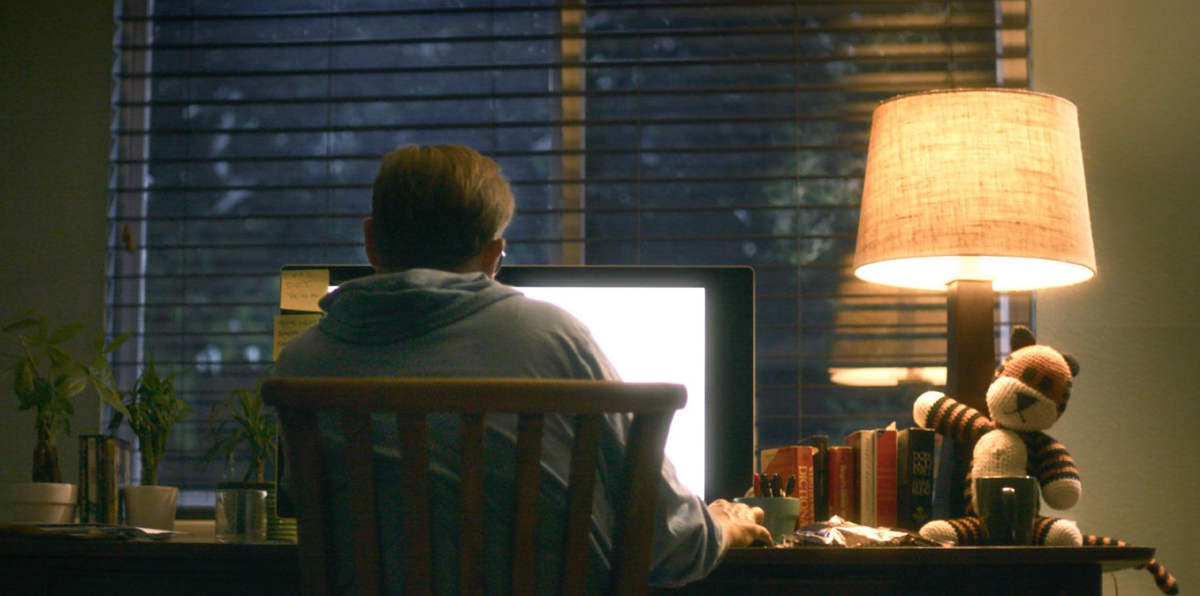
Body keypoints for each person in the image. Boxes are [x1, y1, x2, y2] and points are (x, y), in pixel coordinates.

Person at [274, 144, 771, 594]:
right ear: (494, 256)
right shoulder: (553, 337)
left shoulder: (303, 363)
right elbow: (672, 544)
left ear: (371, 240)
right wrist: (721, 525)